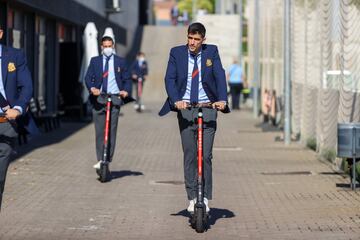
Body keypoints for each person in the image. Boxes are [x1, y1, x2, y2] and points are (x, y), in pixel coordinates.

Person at [159, 22, 230, 213]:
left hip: (208, 108)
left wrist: (222, 99)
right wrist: (176, 100)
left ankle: (205, 197)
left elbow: (219, 76)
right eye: (190, 38)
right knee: (190, 155)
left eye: (196, 39)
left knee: (205, 156)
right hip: (186, 109)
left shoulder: (211, 52)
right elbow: (170, 79)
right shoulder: (176, 53)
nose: (192, 42)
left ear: (203, 40)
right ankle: (192, 196)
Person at [85, 35, 132, 170]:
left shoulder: (120, 61)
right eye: (105, 46)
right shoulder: (95, 61)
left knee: (111, 130)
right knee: (100, 131)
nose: (107, 49)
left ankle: (107, 158)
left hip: (115, 98)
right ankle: (100, 159)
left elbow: (127, 79)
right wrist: (92, 88)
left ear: (113, 46)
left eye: (109, 46)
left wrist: (126, 91)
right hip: (99, 98)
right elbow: (88, 78)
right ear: (101, 47)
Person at [0, 23, 33, 211]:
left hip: (5, 123)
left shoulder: (15, 56)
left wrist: (18, 108)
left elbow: (26, 86)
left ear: (0, 33)